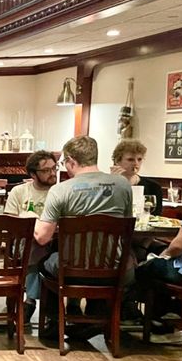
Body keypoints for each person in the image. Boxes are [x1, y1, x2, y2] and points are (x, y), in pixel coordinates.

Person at [34, 136, 133, 335]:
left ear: (71, 161)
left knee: (45, 262)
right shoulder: (123, 185)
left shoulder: (60, 190)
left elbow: (43, 238)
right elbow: (127, 222)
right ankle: (99, 317)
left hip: (71, 270)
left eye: (64, 163)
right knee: (132, 260)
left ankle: (54, 323)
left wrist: (31, 218)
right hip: (113, 270)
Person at [4, 150, 58, 320]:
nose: (52, 173)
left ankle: (39, 302)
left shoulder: (61, 191)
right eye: (46, 170)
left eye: (54, 168)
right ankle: (34, 301)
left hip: (59, 240)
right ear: (33, 174)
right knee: (36, 245)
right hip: (27, 241)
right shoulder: (19, 192)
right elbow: (10, 222)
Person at [135, 195, 182, 344]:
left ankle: (156, 321)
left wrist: (164, 255)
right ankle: (173, 313)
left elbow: (179, 245)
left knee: (147, 267)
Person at [110, 140, 163, 215]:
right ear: (117, 161)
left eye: (139, 159)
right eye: (130, 159)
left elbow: (157, 216)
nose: (136, 163)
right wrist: (113, 184)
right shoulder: (107, 185)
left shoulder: (153, 186)